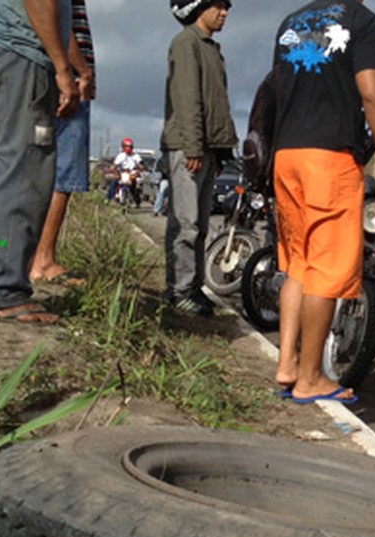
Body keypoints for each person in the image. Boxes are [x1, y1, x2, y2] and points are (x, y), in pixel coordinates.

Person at [271, 0, 375, 404]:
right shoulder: (363, 21)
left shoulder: (289, 22)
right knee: (326, 271)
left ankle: (287, 364)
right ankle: (311, 378)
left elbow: (277, 88)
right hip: (328, 157)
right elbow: (371, 91)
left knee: (297, 264)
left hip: (287, 154)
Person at [0, 0, 78, 324]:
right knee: (23, 172)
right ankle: (3, 291)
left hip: (6, 52)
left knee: (0, 167)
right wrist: (62, 68)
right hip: (25, 56)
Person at [161, 0, 239, 316]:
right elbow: (187, 98)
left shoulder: (211, 48)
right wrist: (193, 147)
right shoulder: (185, 43)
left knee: (202, 225)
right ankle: (178, 290)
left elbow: (217, 104)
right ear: (198, 7)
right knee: (186, 224)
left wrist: (221, 151)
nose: (225, 12)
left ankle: (192, 288)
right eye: (218, 6)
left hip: (207, 148)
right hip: (187, 146)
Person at [30, 0, 95, 286]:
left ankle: (35, 257)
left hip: (59, 74)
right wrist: (80, 70)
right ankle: (42, 259)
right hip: (67, 80)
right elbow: (57, 19)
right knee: (64, 172)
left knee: (45, 171)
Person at [112, 137, 143, 204]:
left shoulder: (135, 156)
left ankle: (136, 199)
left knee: (134, 186)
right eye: (127, 146)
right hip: (122, 173)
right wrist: (115, 173)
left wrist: (137, 172)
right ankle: (109, 198)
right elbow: (114, 165)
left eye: (130, 146)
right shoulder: (120, 156)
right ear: (123, 147)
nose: (128, 148)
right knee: (114, 183)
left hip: (131, 173)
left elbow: (141, 165)